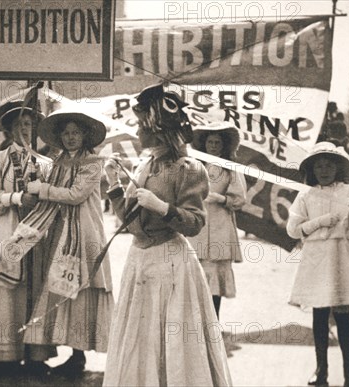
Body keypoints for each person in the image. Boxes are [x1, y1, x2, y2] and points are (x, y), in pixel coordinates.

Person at [102, 84, 232, 386]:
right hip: (140, 261)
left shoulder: (190, 169)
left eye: (141, 124)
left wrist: (164, 208)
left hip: (171, 262)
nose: (136, 130)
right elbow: (131, 223)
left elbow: (195, 222)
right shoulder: (144, 164)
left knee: (173, 337)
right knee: (141, 336)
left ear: (156, 128)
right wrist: (114, 186)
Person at [19, 110, 114, 374]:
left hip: (85, 233)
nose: (71, 137)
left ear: (84, 136)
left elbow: (75, 195)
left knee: (81, 289)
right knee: (64, 289)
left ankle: (79, 354)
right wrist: (34, 178)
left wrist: (43, 189)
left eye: (76, 132)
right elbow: (47, 189)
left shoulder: (93, 162)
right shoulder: (57, 162)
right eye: (66, 133)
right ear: (60, 137)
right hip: (61, 231)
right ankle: (71, 352)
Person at [0, 103, 56, 375]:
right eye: (17, 124)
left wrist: (41, 199)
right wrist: (17, 198)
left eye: (28, 124)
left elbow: (52, 197)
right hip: (4, 227)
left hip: (35, 231)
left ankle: (35, 353)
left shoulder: (45, 162)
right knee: (5, 290)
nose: (24, 130)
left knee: (34, 287)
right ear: (7, 128)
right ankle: (2, 353)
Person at [286, 141, 349, 387]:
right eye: (319, 166)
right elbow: (293, 230)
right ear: (312, 170)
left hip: (341, 257)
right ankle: (322, 370)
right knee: (319, 315)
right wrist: (319, 222)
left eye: (329, 165)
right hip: (316, 259)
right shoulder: (305, 195)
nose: (324, 170)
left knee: (342, 316)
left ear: (338, 167)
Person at [188, 123, 246, 319]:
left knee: (214, 283)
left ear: (224, 146)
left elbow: (239, 199)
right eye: (210, 142)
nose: (213, 146)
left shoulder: (230, 168)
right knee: (196, 279)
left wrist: (222, 199)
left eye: (217, 143)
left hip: (220, 226)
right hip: (199, 226)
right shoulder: (195, 166)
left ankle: (214, 326)